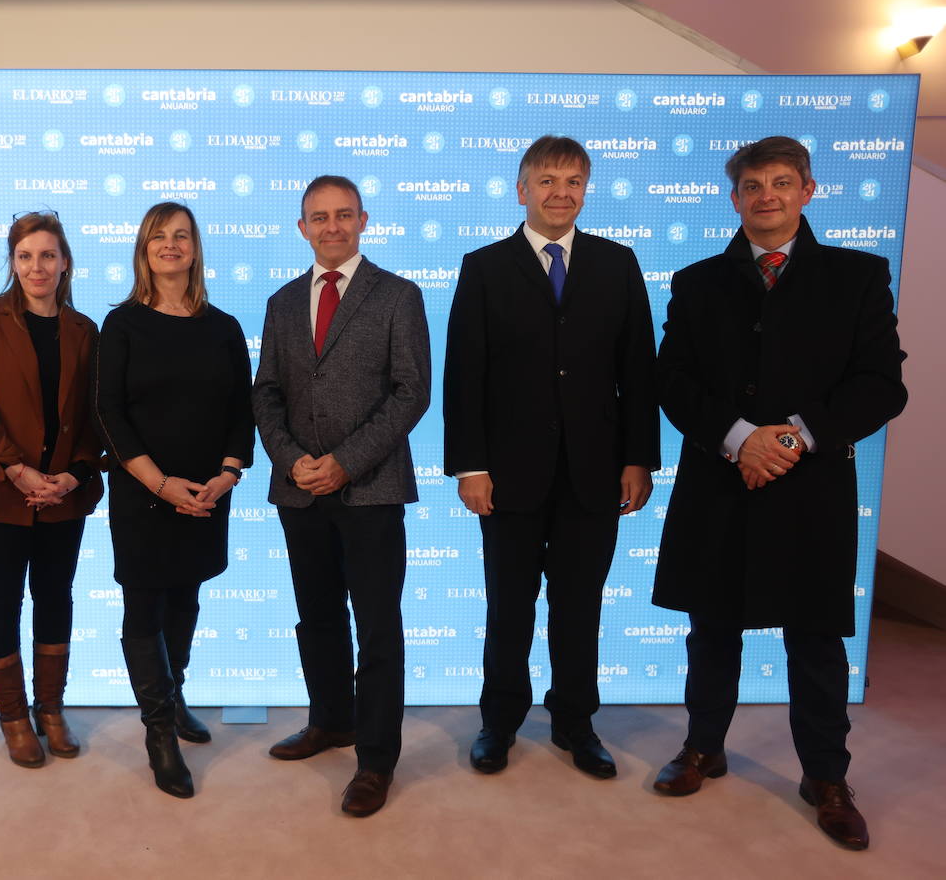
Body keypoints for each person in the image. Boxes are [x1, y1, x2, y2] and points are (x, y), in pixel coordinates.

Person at [651, 136, 907, 851]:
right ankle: (704, 748)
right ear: (734, 198)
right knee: (712, 631)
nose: (767, 195)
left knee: (816, 638)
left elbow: (881, 384)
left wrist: (790, 438)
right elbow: (671, 382)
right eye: (753, 185)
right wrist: (739, 438)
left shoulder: (858, 276)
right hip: (720, 480)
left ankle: (826, 776)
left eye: (782, 182)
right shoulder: (697, 281)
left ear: (808, 190)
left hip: (811, 489)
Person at [442, 136, 659, 780]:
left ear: (586, 190)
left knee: (579, 606)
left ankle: (575, 722)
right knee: (507, 606)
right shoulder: (484, 267)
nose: (560, 192)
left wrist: (638, 458)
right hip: (507, 476)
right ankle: (498, 723)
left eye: (573, 181)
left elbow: (638, 372)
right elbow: (464, 376)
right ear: (522, 189)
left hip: (595, 473)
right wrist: (470, 466)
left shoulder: (619, 264)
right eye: (547, 181)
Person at [252, 175, 431, 817]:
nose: (332, 227)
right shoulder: (280, 303)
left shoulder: (398, 296)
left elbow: (411, 393)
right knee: (318, 617)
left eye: (343, 215)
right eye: (318, 217)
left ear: (363, 220)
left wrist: (345, 463)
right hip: (299, 491)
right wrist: (294, 459)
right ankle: (330, 720)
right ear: (302, 227)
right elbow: (265, 392)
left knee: (378, 628)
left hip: (372, 490)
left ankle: (376, 760)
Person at [92, 201, 254, 798]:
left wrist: (229, 474)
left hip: (208, 490)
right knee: (144, 607)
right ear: (143, 249)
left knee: (185, 595)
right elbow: (107, 413)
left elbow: (244, 408)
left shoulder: (224, 326)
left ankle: (176, 693)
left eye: (181, 235)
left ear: (195, 248)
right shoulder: (123, 324)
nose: (170, 245)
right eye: (158, 237)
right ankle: (159, 732)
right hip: (144, 492)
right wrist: (160, 483)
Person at [0, 211, 104, 768]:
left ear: (65, 263)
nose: (37, 267)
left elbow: (93, 416)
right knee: (1, 598)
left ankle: (51, 709)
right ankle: (13, 715)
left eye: (47, 255)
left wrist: (74, 475)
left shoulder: (85, 330)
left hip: (63, 495)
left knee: (56, 596)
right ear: (12, 263)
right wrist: (17, 471)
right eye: (25, 256)